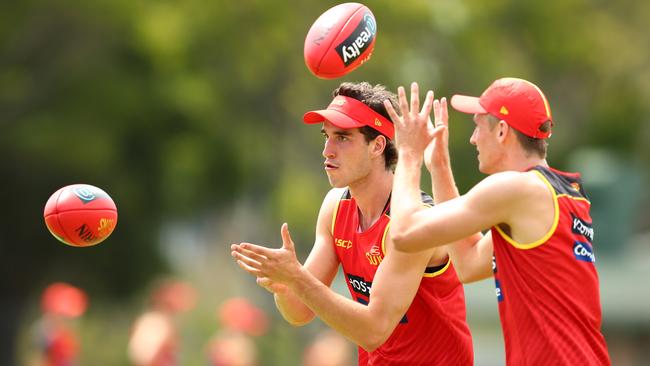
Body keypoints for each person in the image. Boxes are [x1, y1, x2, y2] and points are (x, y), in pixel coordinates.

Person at [231, 82, 473, 365]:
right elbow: (298, 311)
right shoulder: (336, 207)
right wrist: (285, 287)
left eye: (343, 138)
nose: (327, 151)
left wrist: (297, 278)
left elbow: (374, 330)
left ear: (377, 145)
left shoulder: (413, 221)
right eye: (327, 137)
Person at [386, 78, 611, 365]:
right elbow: (467, 262)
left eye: (478, 125)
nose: (473, 138)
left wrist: (408, 153)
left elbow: (404, 234)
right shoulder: (555, 195)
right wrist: (439, 167)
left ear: (502, 130)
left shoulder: (516, 189)